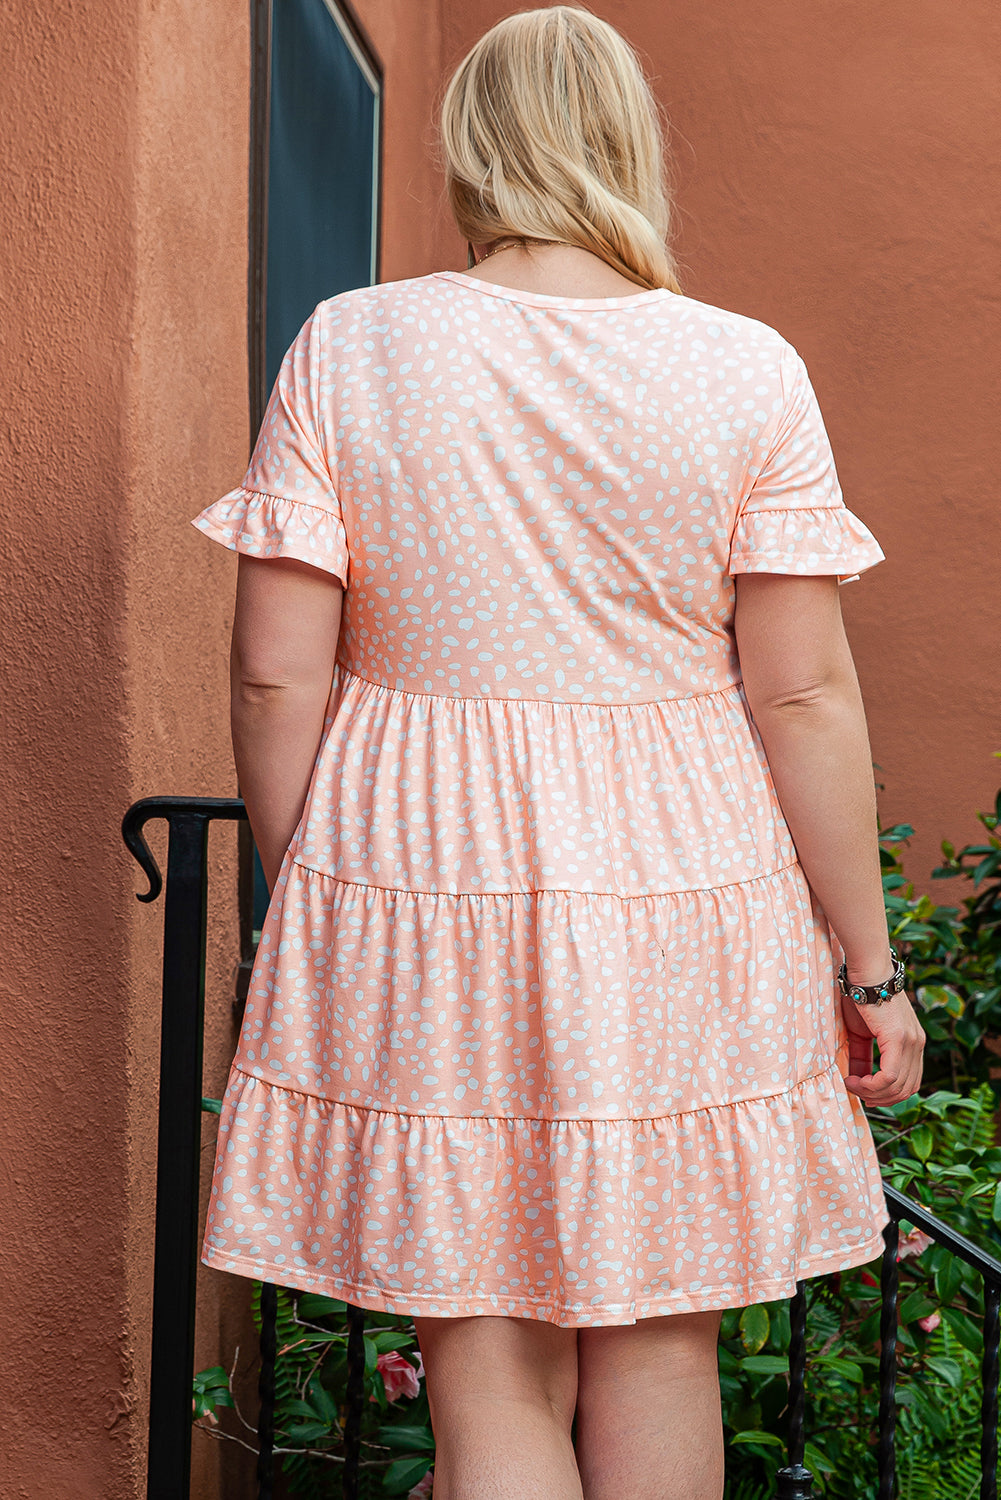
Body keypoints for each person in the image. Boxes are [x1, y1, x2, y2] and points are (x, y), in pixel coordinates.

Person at [192, 8, 925, 1497]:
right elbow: (800, 699)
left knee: (485, 1357)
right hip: (681, 882)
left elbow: (277, 673)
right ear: (627, 147)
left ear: (469, 148)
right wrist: (868, 967)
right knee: (658, 1349)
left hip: (424, 871)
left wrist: (318, 896)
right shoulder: (743, 370)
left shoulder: (355, 342)